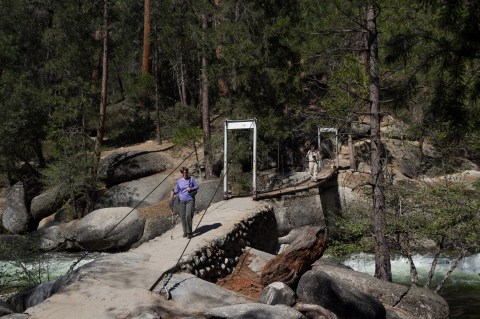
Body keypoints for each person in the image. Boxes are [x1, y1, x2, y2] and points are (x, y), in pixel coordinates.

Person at [171, 167, 199, 239]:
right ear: (181, 173)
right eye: (183, 173)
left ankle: (189, 233)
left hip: (190, 200)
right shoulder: (179, 181)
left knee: (188, 216)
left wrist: (191, 188)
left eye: (186, 172)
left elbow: (197, 186)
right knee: (183, 217)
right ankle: (185, 232)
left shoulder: (191, 179)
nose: (185, 174)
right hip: (182, 201)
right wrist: (174, 192)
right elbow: (178, 190)